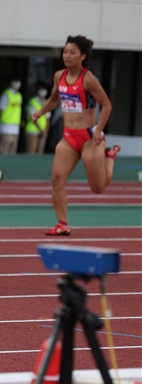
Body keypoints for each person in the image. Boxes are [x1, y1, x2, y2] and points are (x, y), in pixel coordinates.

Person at [30, 36, 120, 236]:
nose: (67, 56)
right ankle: (62, 223)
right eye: (65, 52)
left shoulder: (88, 79)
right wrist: (40, 112)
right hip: (68, 138)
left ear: (83, 56)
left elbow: (106, 105)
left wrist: (98, 130)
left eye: (72, 52)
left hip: (90, 139)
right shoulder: (59, 76)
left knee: (98, 188)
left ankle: (110, 158)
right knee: (57, 178)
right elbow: (54, 100)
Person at [0, 77, 23, 154]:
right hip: (5, 128)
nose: (17, 83)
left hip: (15, 129)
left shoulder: (19, 96)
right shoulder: (6, 95)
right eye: (15, 80)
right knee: (3, 152)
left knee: (12, 154)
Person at [25, 81, 50, 155]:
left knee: (40, 153)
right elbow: (31, 117)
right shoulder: (32, 101)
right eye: (41, 89)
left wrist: (45, 131)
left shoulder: (47, 102)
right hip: (32, 131)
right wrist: (41, 130)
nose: (43, 91)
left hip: (43, 132)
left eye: (44, 89)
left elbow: (48, 118)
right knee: (31, 152)